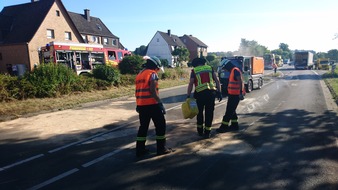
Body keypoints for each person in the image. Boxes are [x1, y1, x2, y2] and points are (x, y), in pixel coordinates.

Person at [135, 56, 172, 157]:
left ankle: (140, 149)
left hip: (142, 105)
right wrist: (160, 104)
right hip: (152, 104)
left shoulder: (140, 74)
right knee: (160, 126)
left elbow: (137, 91)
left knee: (143, 127)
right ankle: (161, 149)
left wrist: (138, 104)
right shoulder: (152, 74)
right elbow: (153, 91)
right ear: (155, 65)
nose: (158, 70)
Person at [187, 57, 222, 138]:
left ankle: (200, 131)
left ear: (195, 64)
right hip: (211, 94)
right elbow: (217, 81)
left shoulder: (194, 71)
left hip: (199, 94)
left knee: (199, 113)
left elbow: (191, 83)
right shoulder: (210, 68)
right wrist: (219, 92)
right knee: (209, 113)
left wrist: (188, 95)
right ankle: (207, 132)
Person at [216, 58, 245, 133]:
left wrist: (241, 93)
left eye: (224, 68)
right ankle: (235, 125)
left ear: (227, 66)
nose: (224, 70)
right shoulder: (233, 71)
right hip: (232, 94)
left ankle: (223, 127)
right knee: (232, 111)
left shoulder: (235, 70)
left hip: (236, 95)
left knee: (229, 111)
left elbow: (240, 81)